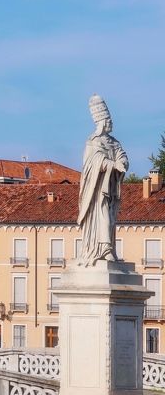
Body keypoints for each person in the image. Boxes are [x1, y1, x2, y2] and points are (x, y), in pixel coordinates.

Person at [78, 95, 128, 266]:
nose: (111, 122)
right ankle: (103, 249)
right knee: (103, 216)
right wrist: (111, 164)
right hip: (97, 190)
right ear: (102, 122)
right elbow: (92, 162)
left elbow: (123, 156)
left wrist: (122, 162)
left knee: (111, 219)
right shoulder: (93, 141)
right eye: (108, 120)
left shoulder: (115, 143)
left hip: (111, 188)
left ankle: (109, 248)